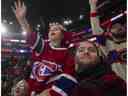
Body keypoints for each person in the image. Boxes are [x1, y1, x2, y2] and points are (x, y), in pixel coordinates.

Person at [12, 0, 77, 96]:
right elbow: (31, 36)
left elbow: (69, 77)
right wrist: (22, 20)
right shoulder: (44, 46)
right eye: (50, 30)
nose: (52, 30)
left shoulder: (67, 53)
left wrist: (51, 93)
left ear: (63, 35)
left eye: (56, 29)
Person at [89, 0, 126, 80]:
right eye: (114, 27)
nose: (119, 27)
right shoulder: (108, 45)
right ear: (109, 33)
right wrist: (93, 6)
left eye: (120, 25)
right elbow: (96, 29)